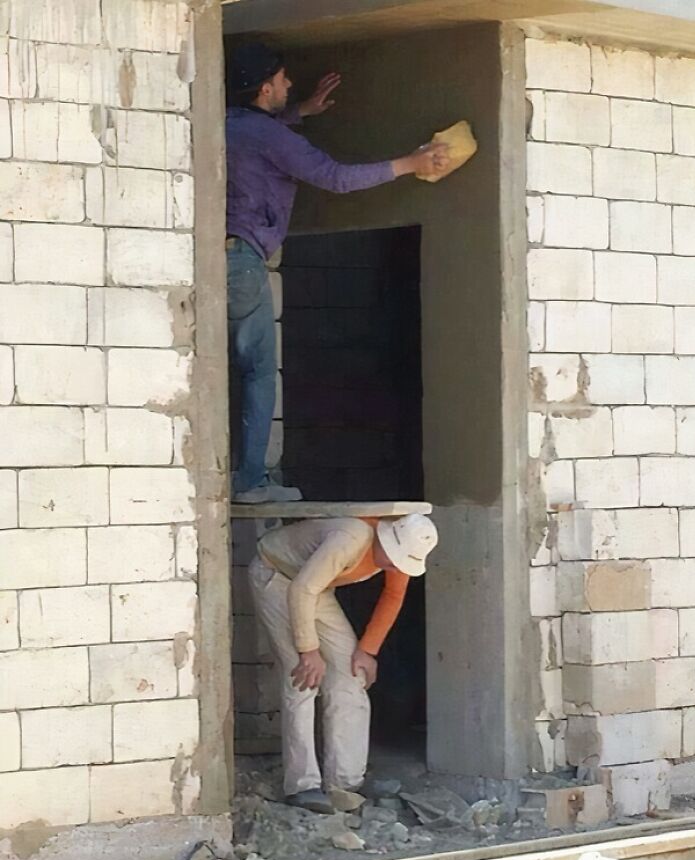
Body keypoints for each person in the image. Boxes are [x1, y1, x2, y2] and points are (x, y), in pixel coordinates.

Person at [226, 43, 449, 503]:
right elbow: (336, 177)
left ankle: (236, 475)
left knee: (234, 367)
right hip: (243, 261)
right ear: (266, 87)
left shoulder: (233, 123)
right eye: (285, 80)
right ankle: (249, 481)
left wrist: (300, 111)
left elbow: (259, 138)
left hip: (217, 261)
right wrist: (412, 163)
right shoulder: (268, 136)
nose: (291, 85)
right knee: (260, 372)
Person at [248, 512, 439, 813]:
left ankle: (345, 783)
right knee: (303, 677)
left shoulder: (403, 551)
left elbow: (393, 596)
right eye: (391, 561)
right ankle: (303, 785)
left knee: (352, 674)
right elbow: (301, 590)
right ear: (386, 540)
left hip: (314, 588)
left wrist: (368, 649)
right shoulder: (351, 539)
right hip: (278, 577)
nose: (392, 568)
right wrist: (308, 650)